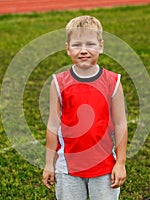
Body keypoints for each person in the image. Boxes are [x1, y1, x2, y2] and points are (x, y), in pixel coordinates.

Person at [42, 15, 128, 200]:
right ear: (67, 49)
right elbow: (53, 126)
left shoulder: (113, 82)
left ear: (101, 46)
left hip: (104, 167)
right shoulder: (58, 83)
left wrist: (120, 163)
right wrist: (50, 164)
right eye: (76, 45)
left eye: (90, 44)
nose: (83, 51)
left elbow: (121, 124)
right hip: (68, 168)